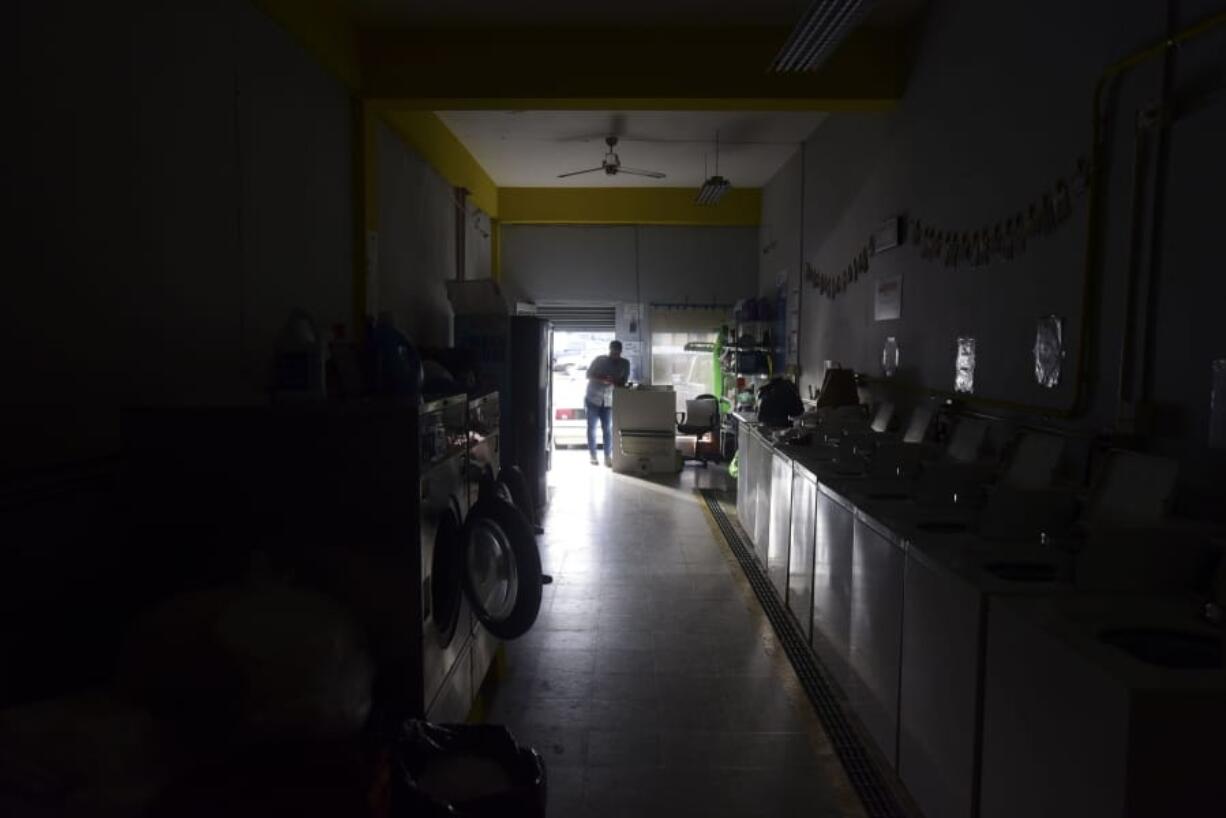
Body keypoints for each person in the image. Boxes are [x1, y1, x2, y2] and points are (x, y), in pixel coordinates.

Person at [584, 340, 630, 466]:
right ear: (609, 350)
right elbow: (588, 375)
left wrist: (615, 381)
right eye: (612, 352)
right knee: (592, 428)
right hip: (593, 398)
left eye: (617, 353)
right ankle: (593, 456)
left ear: (621, 352)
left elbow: (624, 382)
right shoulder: (600, 360)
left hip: (609, 400)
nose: (614, 355)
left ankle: (607, 457)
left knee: (608, 429)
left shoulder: (625, 364)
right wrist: (602, 379)